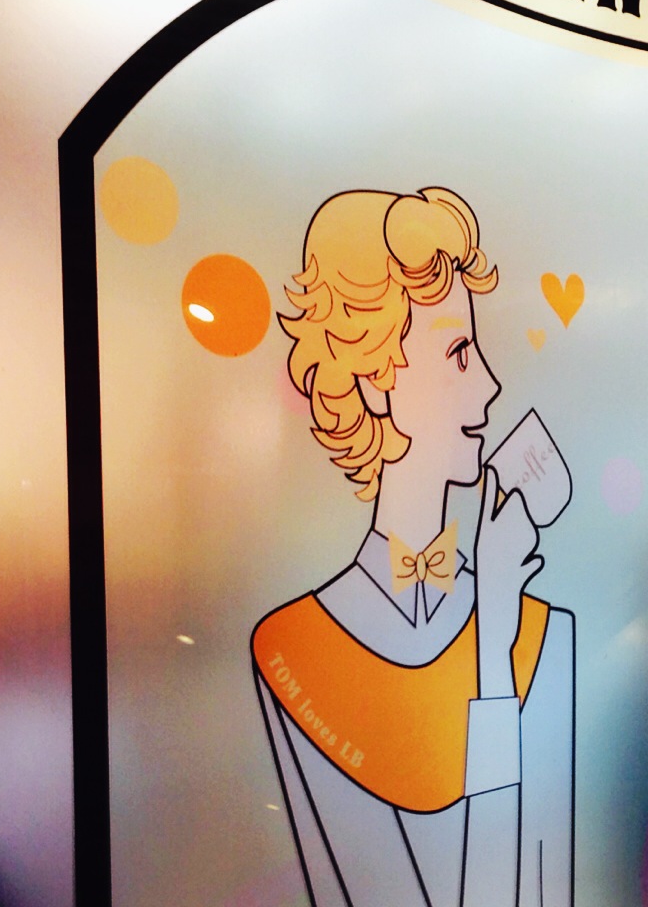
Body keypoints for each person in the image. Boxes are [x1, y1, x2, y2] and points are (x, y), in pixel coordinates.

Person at [252, 188, 574, 907]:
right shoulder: (292, 653)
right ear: (373, 380)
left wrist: (498, 623)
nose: (489, 383)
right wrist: (493, 644)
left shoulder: (547, 636)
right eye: (459, 352)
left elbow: (550, 893)